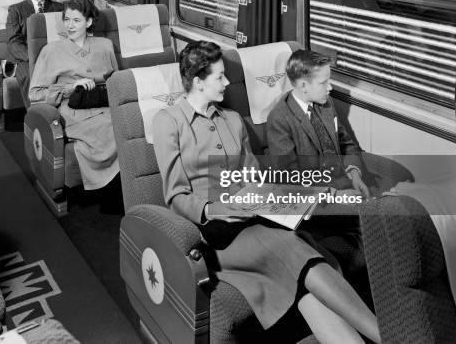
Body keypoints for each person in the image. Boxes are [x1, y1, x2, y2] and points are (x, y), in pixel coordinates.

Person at [152, 41, 380, 344]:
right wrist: (217, 209)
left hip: (254, 218)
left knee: (303, 276)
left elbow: (255, 179)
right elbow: (176, 196)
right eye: (219, 77)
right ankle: (387, 336)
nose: (228, 82)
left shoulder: (233, 120)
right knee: (295, 249)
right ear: (197, 81)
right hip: (214, 233)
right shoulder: (168, 121)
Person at [29, 0, 119, 191]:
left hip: (103, 101)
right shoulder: (51, 51)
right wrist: (70, 88)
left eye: (76, 20)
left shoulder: (105, 45)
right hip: (72, 108)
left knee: (127, 121)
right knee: (108, 127)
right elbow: (35, 94)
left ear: (88, 22)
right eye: (67, 19)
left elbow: (116, 81)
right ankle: (108, 190)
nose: (70, 25)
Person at [267, 50, 370, 197]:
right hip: (316, 196)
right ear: (303, 86)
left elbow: (346, 144)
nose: (330, 88)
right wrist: (335, 196)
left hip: (344, 180)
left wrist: (355, 174)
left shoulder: (326, 104)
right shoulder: (280, 119)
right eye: (323, 83)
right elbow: (288, 179)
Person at [7, 0, 64, 106]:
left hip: (53, 55)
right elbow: (13, 41)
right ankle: (35, 114)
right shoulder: (16, 10)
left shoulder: (59, 8)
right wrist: (33, 58)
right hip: (27, 58)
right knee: (29, 75)